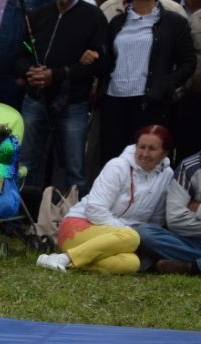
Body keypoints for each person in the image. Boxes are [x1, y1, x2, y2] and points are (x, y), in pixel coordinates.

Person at [37, 125, 174, 274]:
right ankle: (64, 257)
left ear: (164, 153)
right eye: (141, 147)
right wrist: (124, 231)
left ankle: (64, 261)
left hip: (117, 241)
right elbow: (95, 209)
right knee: (132, 237)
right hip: (78, 227)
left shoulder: (167, 175)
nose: (145, 153)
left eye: (152, 149)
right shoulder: (117, 166)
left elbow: (156, 220)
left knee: (131, 263)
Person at [17, 0, 107, 197]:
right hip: (35, 99)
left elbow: (100, 63)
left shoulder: (93, 16)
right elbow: (19, 55)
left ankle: (75, 219)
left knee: (75, 168)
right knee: (24, 164)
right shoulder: (38, 15)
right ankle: (18, 216)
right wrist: (30, 71)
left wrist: (56, 74)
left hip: (73, 103)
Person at [98, 0, 195, 165]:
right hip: (114, 99)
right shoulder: (117, 21)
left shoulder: (174, 21)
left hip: (151, 101)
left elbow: (188, 63)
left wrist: (165, 85)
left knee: (148, 160)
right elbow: (107, 60)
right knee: (114, 160)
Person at [137, 149, 201, 274]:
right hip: (192, 240)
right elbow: (175, 220)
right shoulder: (189, 166)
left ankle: (191, 267)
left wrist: (197, 209)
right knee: (146, 233)